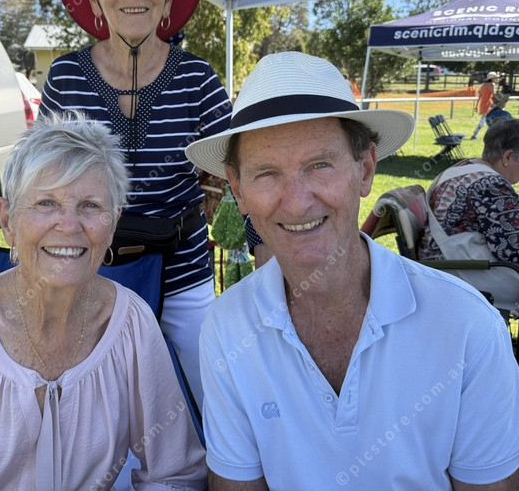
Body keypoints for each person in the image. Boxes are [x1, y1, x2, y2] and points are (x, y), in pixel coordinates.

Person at [185, 52, 519, 490]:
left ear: (365, 170)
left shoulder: (468, 326)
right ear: (238, 189)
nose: (296, 202)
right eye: (267, 173)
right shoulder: (227, 328)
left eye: (319, 165)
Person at [0, 113, 207, 491]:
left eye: (90, 205)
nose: (69, 225)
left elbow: (175, 473)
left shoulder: (132, 323)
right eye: (46, 203)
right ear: (8, 220)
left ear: (113, 222)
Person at [40, 0, 232, 408]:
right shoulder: (65, 77)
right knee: (99, 406)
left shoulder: (197, 78)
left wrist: (247, 233)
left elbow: (238, 168)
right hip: (90, 272)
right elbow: (42, 178)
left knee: (206, 398)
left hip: (183, 271)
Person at [419, 117, 519, 316]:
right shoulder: (492, 185)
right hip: (459, 271)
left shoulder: (465, 168)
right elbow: (512, 249)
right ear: (507, 157)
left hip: (444, 265)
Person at [471, 71, 497, 139]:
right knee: (485, 120)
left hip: (483, 104)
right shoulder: (492, 85)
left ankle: (478, 134)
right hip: (489, 105)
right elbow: (494, 94)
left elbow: (480, 96)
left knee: (488, 119)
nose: (496, 79)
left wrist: (477, 106)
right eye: (495, 78)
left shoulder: (483, 85)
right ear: (492, 78)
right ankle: (475, 134)